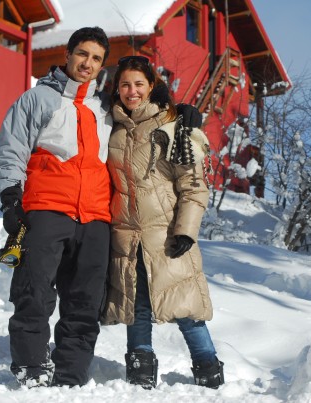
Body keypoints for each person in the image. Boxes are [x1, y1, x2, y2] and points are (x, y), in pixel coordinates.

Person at [0, 26, 113, 388]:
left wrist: (181, 109)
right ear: (68, 54)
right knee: (35, 290)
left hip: (95, 217)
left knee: (84, 301)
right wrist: (11, 198)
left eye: (96, 58)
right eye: (82, 54)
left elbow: (149, 109)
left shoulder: (107, 108)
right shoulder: (37, 99)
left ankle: (71, 372)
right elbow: (11, 148)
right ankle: (31, 365)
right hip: (47, 208)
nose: (87, 63)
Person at [101, 56, 225, 390]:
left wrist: (185, 230)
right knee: (137, 306)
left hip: (166, 235)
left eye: (139, 84)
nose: (132, 91)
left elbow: (194, 186)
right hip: (126, 236)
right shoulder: (110, 127)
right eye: (125, 84)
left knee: (185, 307)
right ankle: (140, 368)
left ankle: (208, 367)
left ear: (151, 86)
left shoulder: (172, 127)